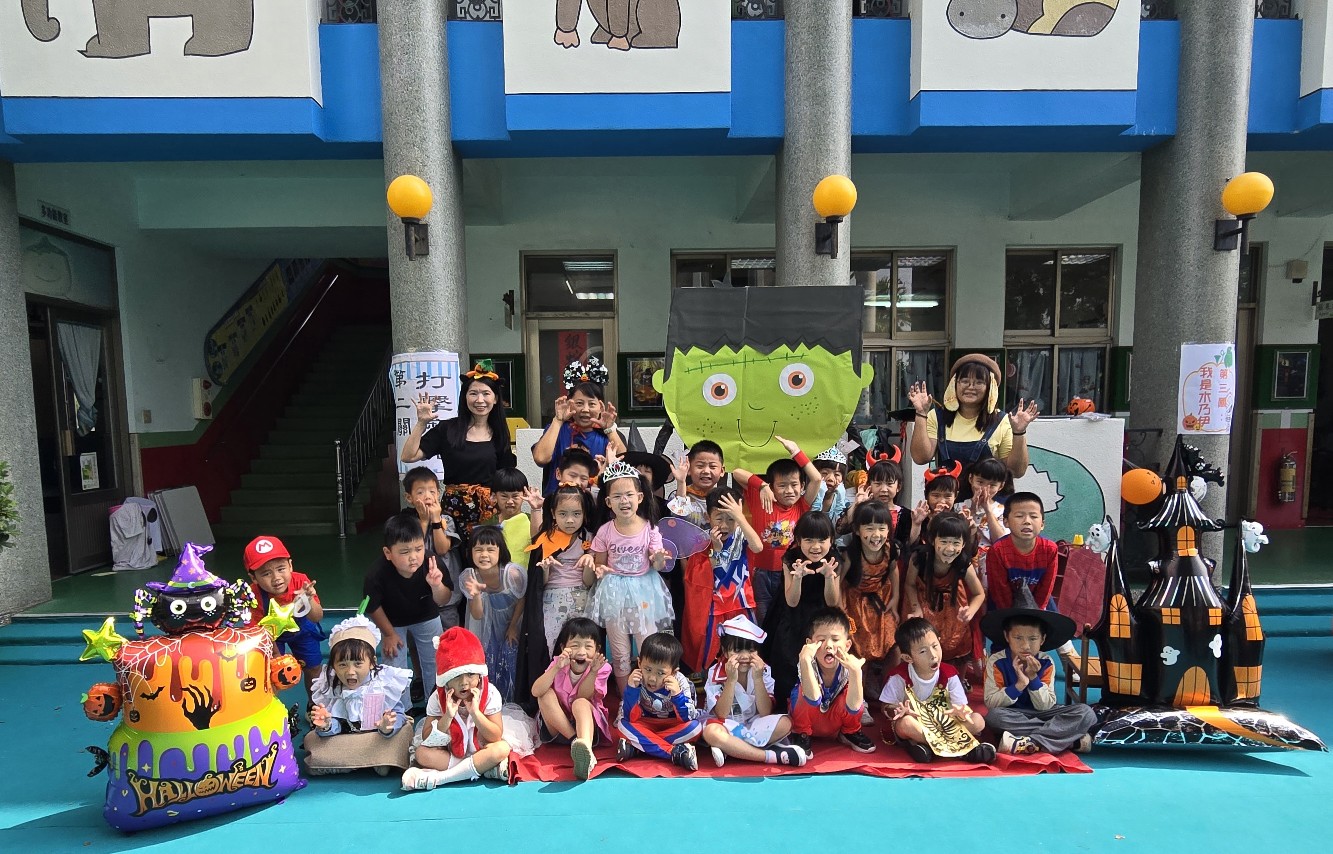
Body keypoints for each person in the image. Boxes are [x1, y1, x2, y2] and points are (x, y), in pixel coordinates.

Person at [400, 361, 517, 536]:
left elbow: (505, 475)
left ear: (495, 399)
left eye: (486, 393)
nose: (480, 400)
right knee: (451, 552)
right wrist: (421, 423)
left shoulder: (499, 434)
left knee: (484, 552)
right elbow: (408, 456)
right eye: (473, 393)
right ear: (465, 397)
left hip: (488, 512)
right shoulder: (447, 429)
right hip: (452, 511)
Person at [589, 460, 673, 693]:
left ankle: (649, 695)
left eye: (629, 495)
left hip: (643, 590)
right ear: (608, 502)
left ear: (640, 497)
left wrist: (658, 558)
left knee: (647, 643)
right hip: (614, 592)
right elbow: (600, 563)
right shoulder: (605, 531)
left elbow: (657, 564)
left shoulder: (650, 529)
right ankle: (626, 699)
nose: (624, 501)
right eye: (617, 496)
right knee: (619, 649)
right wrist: (599, 570)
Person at [981, 586, 1095, 755]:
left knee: (1086, 713)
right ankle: (1069, 740)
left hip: (1044, 713)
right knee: (994, 717)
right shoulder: (997, 661)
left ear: (1042, 639)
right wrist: (1019, 685)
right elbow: (991, 702)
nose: (1025, 645)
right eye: (1018, 638)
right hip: (1013, 714)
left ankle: (1030, 742)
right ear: (1007, 637)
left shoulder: (1046, 662)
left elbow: (1045, 705)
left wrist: (1033, 678)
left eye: (1033, 638)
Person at [401, 627, 512, 790]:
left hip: (482, 746)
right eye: (457, 676)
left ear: (479, 675)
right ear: (445, 680)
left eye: (470, 675)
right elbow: (427, 739)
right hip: (450, 751)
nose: (464, 682)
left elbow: (495, 736)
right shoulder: (437, 698)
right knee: (422, 754)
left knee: (501, 748)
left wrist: (475, 713)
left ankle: (440, 778)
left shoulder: (490, 693)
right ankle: (481, 767)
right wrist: (448, 716)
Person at [306, 615, 413, 776]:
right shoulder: (332, 688)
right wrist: (326, 725)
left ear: (372, 662)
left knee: (402, 734)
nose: (350, 671)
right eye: (342, 664)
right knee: (311, 739)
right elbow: (337, 726)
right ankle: (376, 761)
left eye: (358, 664)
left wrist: (387, 727)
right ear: (333, 666)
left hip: (378, 738)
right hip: (346, 739)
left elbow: (399, 715)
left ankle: (343, 764)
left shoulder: (383, 684)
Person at [732, 435, 823, 623]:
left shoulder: (801, 505)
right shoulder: (760, 499)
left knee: (786, 617)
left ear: (802, 486)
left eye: (794, 485)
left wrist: (796, 452)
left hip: (789, 571)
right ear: (772, 487)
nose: (789, 490)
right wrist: (762, 486)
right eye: (782, 486)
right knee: (762, 617)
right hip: (759, 572)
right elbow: (736, 472)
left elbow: (816, 479)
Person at [881, 617, 995, 764]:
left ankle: (925, 746)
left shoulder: (949, 674)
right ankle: (963, 751)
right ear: (907, 657)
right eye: (923, 651)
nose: (933, 655)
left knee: (978, 721)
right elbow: (886, 707)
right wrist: (897, 710)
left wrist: (961, 712)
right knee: (906, 724)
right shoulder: (899, 677)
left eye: (935, 646)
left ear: (940, 641)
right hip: (919, 725)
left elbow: (961, 707)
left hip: (944, 724)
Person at [364, 514, 451, 708]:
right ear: (388, 552)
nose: (413, 557)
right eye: (404, 551)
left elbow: (444, 599)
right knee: (394, 664)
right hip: (392, 621)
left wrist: (436, 586)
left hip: (427, 615)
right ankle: (400, 711)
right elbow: (372, 606)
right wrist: (388, 634)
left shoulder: (431, 562)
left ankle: (436, 706)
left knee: (435, 660)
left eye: (419, 549)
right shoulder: (376, 573)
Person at [761, 511, 843, 712]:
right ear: (798, 541)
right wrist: (797, 577)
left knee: (821, 661)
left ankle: (820, 708)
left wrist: (828, 577)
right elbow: (791, 601)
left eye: (822, 540)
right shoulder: (790, 558)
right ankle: (784, 709)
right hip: (792, 616)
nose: (816, 547)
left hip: (821, 619)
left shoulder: (834, 559)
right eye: (809, 540)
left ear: (831, 540)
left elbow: (832, 602)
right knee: (787, 661)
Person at [701, 615, 808, 768]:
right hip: (727, 726)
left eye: (751, 650)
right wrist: (731, 680)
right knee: (711, 732)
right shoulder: (715, 672)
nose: (745, 656)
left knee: (786, 722)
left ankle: (733, 749)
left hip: (754, 725)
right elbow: (721, 714)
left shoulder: (763, 670)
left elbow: (765, 712)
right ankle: (769, 755)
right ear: (725, 651)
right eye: (737, 650)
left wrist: (758, 679)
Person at [908, 353, 1038, 477]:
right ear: (954, 384)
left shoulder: (1002, 420)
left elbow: (1016, 471)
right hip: (948, 493)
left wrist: (1019, 432)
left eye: (979, 382)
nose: (970, 387)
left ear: (990, 387)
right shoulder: (936, 416)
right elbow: (921, 458)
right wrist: (921, 413)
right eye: (965, 381)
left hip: (987, 493)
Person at [681, 486, 761, 673]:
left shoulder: (742, 537)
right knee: (711, 648)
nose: (724, 525)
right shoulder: (702, 541)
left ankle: (744, 677)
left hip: (741, 603)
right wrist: (716, 550)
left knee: (744, 645)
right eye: (719, 518)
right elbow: (696, 577)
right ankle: (709, 677)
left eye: (731, 518)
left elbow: (758, 547)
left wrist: (740, 517)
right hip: (713, 607)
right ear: (708, 517)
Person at [531, 617, 613, 781]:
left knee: (580, 703)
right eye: (575, 645)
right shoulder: (558, 663)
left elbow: (583, 696)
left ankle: (585, 749)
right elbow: (535, 691)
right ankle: (575, 741)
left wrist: (593, 672)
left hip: (587, 728)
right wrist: (556, 668)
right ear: (563, 648)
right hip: (558, 728)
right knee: (545, 694)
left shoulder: (602, 667)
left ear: (597, 649)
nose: (581, 651)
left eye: (588, 646)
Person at [532, 357, 627, 494]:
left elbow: (625, 466)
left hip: (594, 504)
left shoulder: (607, 435)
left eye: (592, 404)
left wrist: (610, 429)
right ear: (570, 404)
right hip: (557, 502)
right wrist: (558, 420)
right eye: (579, 403)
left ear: (601, 407)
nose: (585, 409)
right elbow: (540, 458)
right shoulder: (558, 430)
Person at [903, 512, 985, 670]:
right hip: (923, 600)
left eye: (956, 543)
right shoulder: (920, 557)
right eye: (944, 541)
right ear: (932, 540)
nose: (950, 548)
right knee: (921, 643)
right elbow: (909, 584)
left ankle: (956, 680)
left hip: (952, 605)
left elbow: (979, 593)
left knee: (957, 645)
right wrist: (916, 608)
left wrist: (970, 611)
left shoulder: (963, 562)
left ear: (963, 544)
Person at [243, 535, 324, 693]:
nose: (276, 578)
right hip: (270, 636)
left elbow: (317, 617)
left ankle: (314, 704)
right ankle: (272, 706)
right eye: (266, 573)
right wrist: (276, 656)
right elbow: (257, 633)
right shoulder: (251, 596)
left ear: (290, 565)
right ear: (254, 578)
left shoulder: (301, 581)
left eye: (281, 569)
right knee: (270, 673)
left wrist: (308, 600)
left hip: (302, 630)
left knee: (314, 667)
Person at [789, 607, 875, 755]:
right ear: (809, 644)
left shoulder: (850, 665)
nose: (828, 645)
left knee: (851, 693)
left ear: (847, 645)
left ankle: (850, 732)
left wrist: (856, 672)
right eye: (821, 640)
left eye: (835, 639)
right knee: (801, 691)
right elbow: (813, 699)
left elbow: (855, 707)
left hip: (834, 719)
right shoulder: (806, 662)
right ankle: (801, 733)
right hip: (811, 716)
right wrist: (804, 659)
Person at [615, 632, 704, 772]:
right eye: (648, 669)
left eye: (660, 673)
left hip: (673, 725)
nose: (652, 678)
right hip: (646, 724)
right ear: (639, 663)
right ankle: (675, 753)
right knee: (623, 725)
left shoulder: (681, 682)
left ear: (673, 672)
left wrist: (677, 695)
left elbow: (687, 718)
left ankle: (638, 747)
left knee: (695, 728)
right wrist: (632, 689)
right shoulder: (636, 678)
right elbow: (629, 717)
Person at [840, 500, 901, 704]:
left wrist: (895, 598)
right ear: (857, 530)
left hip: (881, 600)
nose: (876, 535)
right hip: (855, 604)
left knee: (893, 645)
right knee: (860, 650)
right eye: (870, 528)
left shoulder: (891, 550)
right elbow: (838, 582)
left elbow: (893, 571)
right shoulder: (851, 554)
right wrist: (840, 609)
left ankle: (887, 690)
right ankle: (859, 696)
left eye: (881, 528)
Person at [459, 526, 527, 703]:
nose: (484, 555)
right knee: (488, 659)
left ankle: (514, 701)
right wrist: (475, 595)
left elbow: (522, 599)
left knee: (511, 657)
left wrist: (513, 626)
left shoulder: (513, 574)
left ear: (500, 551)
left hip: (513, 619)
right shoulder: (469, 577)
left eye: (490, 549)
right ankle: (490, 701)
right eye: (478, 549)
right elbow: (477, 615)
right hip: (486, 625)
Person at [400, 467, 465, 628]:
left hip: (447, 599)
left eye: (432, 491)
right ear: (409, 497)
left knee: (448, 636)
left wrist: (436, 521)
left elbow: (442, 549)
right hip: (418, 597)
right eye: (420, 492)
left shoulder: (446, 519)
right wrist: (423, 521)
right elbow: (412, 547)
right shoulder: (406, 521)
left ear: (438, 494)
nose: (427, 496)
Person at [985, 491, 1059, 612]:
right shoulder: (997, 551)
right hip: (1003, 608)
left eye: (1033, 516)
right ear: (1006, 522)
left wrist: (1035, 614)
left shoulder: (1050, 549)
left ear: (1042, 524)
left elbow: (1045, 588)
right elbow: (1001, 594)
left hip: (1037, 605)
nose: (1027, 521)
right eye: (1019, 516)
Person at [841, 459, 911, 547]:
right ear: (869, 485)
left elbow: (908, 543)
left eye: (889, 484)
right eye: (878, 484)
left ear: (898, 487)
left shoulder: (905, 514)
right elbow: (842, 529)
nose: (884, 489)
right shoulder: (863, 509)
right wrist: (857, 505)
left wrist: (917, 524)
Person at [488, 467, 544, 564]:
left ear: (525, 494)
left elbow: (538, 540)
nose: (510, 501)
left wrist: (536, 509)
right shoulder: (488, 524)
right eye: (504, 496)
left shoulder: (533, 519)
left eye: (515, 496)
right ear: (494, 496)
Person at [666, 440, 726, 530]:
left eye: (712, 466)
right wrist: (681, 482)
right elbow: (676, 518)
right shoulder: (677, 496)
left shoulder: (725, 500)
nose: (706, 471)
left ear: (722, 471)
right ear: (689, 468)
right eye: (700, 466)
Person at [811, 447, 851, 525]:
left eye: (836, 474)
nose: (830, 478)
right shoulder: (805, 498)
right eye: (824, 473)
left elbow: (839, 529)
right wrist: (819, 497)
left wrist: (840, 502)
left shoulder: (845, 503)